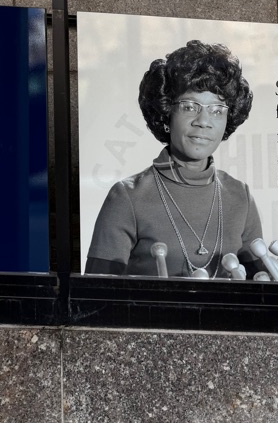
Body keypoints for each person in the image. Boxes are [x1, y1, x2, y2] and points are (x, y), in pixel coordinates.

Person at [85, 40, 262, 278]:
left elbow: (262, 287)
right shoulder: (127, 197)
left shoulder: (240, 196)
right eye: (189, 107)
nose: (204, 121)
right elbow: (97, 294)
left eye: (217, 110)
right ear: (166, 113)